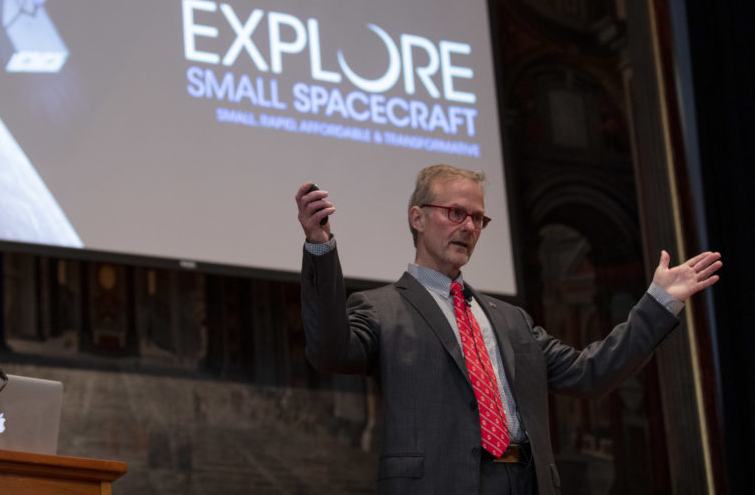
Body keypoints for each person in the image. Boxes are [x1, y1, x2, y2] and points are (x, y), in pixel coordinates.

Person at [295, 164, 721, 495]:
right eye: (455, 212)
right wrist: (320, 247)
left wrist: (660, 302)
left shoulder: (510, 319)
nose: (468, 227)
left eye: (478, 219)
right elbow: (330, 351)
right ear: (418, 218)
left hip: (525, 482)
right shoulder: (382, 308)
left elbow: (591, 373)